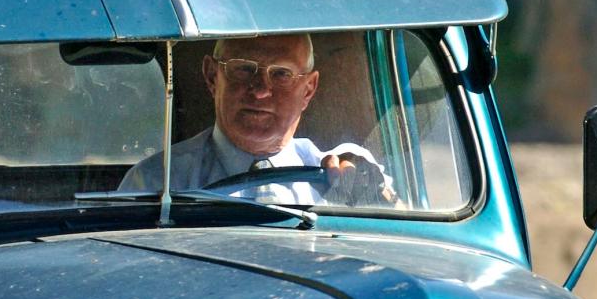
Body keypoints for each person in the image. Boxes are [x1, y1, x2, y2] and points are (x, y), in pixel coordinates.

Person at [118, 34, 397, 206]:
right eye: (243, 69)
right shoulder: (157, 183)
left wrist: (376, 200)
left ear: (308, 89)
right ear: (213, 76)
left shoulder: (341, 174)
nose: (261, 90)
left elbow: (402, 256)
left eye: (281, 74)